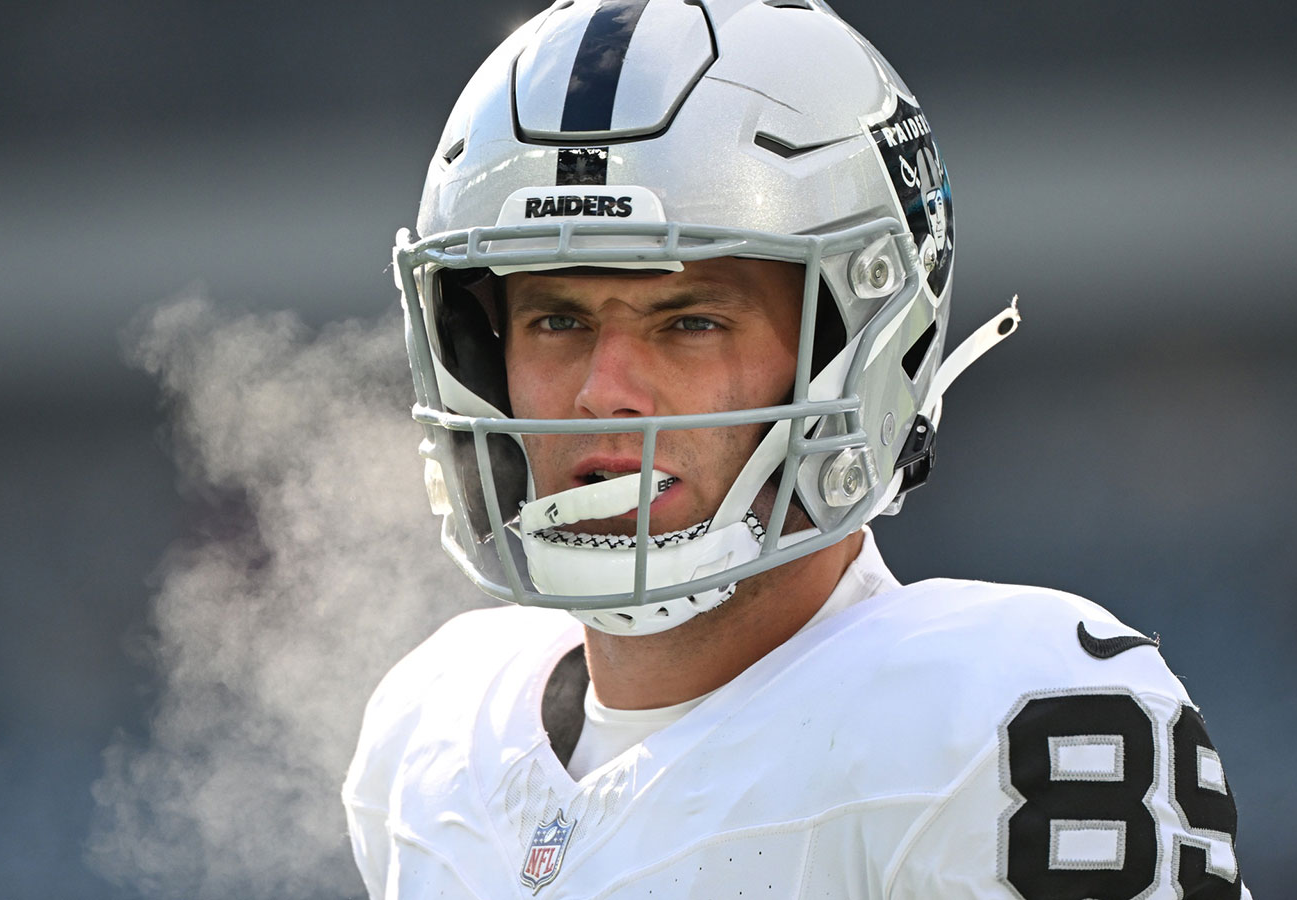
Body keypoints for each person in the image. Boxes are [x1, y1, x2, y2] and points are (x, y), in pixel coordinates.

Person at [344, 1, 1250, 897]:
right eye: (555, 319)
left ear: (854, 349)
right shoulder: (431, 739)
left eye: (689, 321)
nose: (600, 390)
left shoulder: (999, 719)